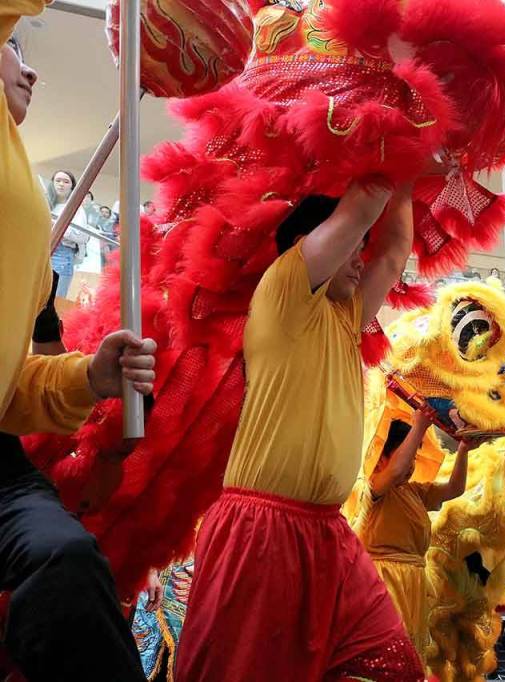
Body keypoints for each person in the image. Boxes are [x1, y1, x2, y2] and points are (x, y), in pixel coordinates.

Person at [174, 187, 423, 681]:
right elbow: (360, 209)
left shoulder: (346, 316)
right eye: (352, 245)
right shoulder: (284, 287)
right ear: (310, 243)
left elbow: (394, 252)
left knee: (394, 668)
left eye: (361, 247)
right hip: (260, 528)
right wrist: (402, 138)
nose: (361, 257)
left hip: (328, 532)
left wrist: (411, 176)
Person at [2, 14, 159, 681]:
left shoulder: (25, 216)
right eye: (11, 48)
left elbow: (13, 391)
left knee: (67, 563)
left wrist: (88, 378)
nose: (27, 68)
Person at [351, 409, 473, 668]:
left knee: (409, 654)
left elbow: (454, 489)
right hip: (383, 579)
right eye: (405, 453)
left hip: (414, 580)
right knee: (386, 652)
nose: (411, 464)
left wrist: (463, 449)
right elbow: (395, 472)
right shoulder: (375, 487)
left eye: (414, 455)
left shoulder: (414, 491)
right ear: (381, 457)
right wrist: (420, 426)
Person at [45, 169, 91, 298]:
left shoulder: (76, 208)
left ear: (72, 186)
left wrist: (57, 225)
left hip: (62, 253)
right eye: (58, 180)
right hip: (41, 252)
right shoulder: (46, 204)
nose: (61, 184)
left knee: (55, 300)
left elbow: (82, 236)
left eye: (66, 182)